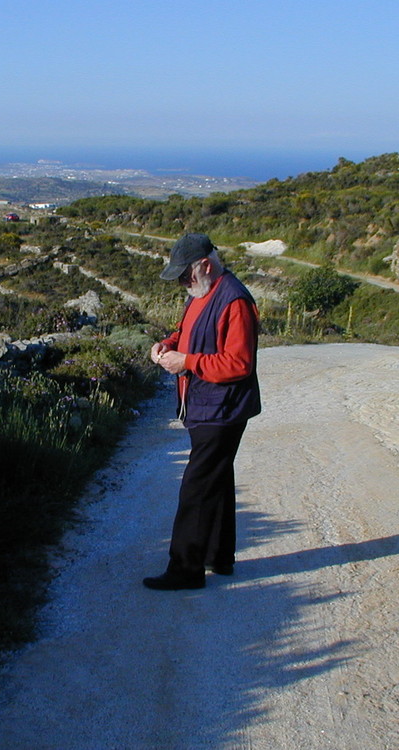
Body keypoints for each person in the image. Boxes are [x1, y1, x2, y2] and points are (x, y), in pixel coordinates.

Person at [144, 233, 261, 591]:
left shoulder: (234, 300)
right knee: (217, 480)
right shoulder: (202, 292)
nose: (182, 283)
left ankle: (185, 570)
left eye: (185, 276)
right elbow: (187, 331)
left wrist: (187, 362)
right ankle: (218, 557)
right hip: (208, 406)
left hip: (221, 410)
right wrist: (167, 344)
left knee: (196, 489)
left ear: (205, 266)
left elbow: (239, 363)